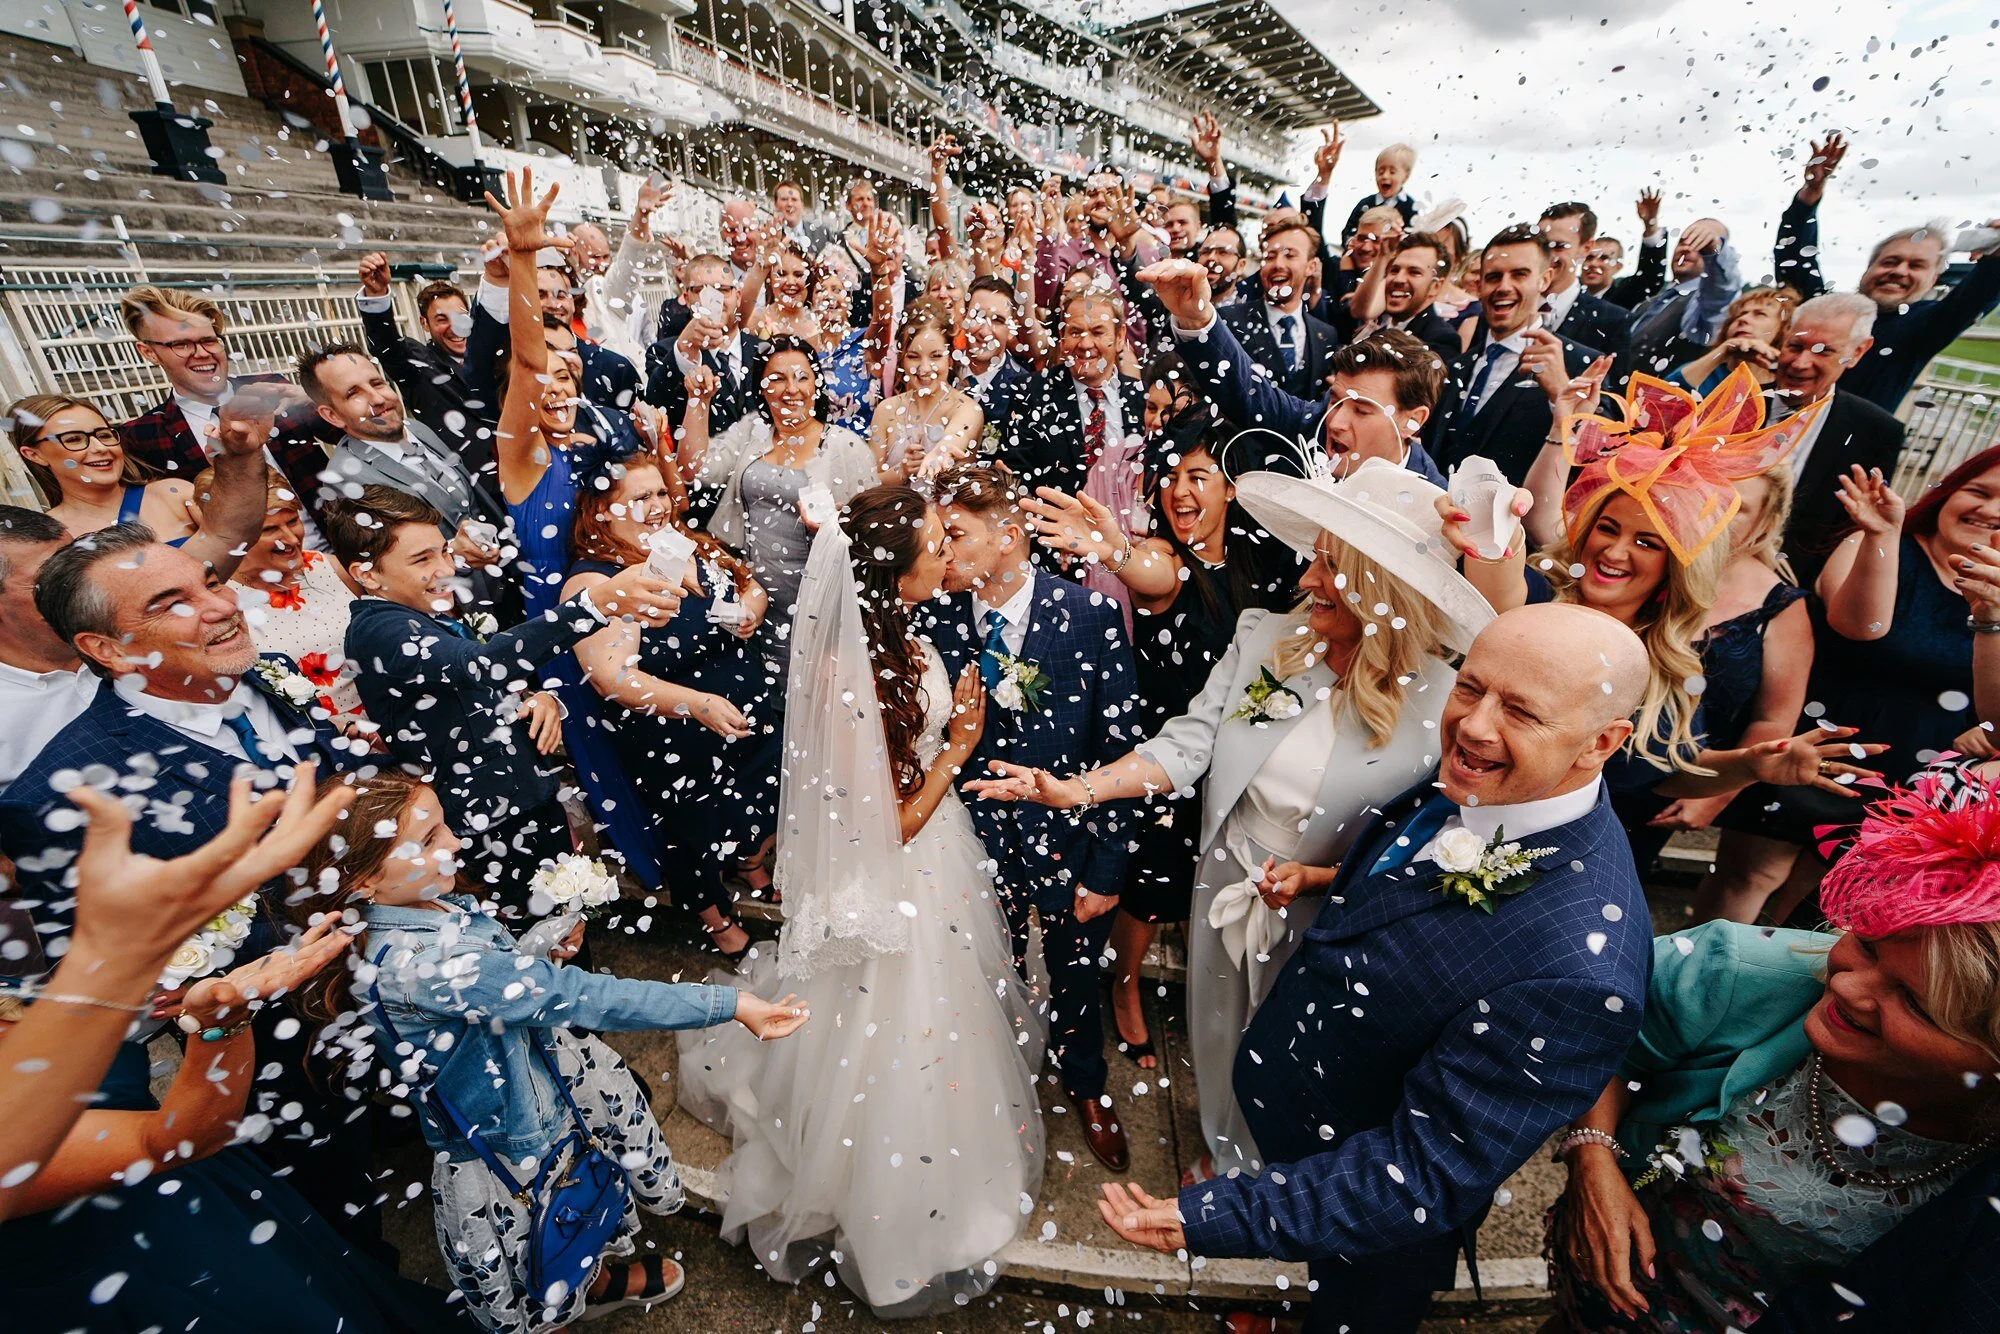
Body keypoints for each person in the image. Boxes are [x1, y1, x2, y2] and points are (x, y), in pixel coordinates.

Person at [1089, 602, 1656, 1333]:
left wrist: (1219, 1217)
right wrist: (1325, 880)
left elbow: (1421, 1172)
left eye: (1522, 711)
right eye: (1472, 687)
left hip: (1377, 1212)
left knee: (1358, 1312)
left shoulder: (1577, 972)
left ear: (1602, 741)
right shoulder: (1486, 781)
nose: (1474, 726)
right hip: (1311, 1124)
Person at [976, 458, 1494, 1185]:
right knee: (1217, 1030)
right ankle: (1223, 1149)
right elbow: (1189, 743)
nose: (1308, 582)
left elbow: (1443, 842)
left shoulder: (1444, 702)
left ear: (1384, 594)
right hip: (1226, 880)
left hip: (1332, 913)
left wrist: (1322, 879)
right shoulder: (1267, 642)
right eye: (1314, 561)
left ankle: (1272, 1172)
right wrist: (1078, 791)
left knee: (1301, 1051)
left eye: (1330, 570)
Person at [677, 484, 1047, 1314]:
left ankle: (938, 1161)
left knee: (937, 1024)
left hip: (938, 868)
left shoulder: (900, 633)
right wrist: (957, 750)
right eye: (934, 545)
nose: (948, 554)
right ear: (896, 569)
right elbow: (887, 828)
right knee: (899, 1033)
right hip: (902, 875)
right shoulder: (852, 669)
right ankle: (896, 1207)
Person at [290, 769, 806, 1330]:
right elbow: (587, 998)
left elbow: (489, 987)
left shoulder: (418, 908)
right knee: (542, 1249)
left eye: (443, 826)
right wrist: (730, 1007)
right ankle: (561, 1307)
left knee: (576, 1213)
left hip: (539, 1094)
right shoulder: (422, 965)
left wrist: (537, 953)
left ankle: (596, 1278)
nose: (456, 843)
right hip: (513, 1141)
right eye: (430, 839)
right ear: (363, 880)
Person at [0, 526, 383, 1247]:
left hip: (385, 978)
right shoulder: (63, 790)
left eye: (209, 581)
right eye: (172, 602)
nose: (219, 605)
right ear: (106, 649)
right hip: (274, 1049)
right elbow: (91, 973)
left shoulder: (264, 676)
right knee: (340, 1215)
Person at [0, 770, 467, 1332]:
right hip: (145, 1273)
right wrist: (216, 1020)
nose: (8, 868)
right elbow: (171, 1139)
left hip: (219, 1192)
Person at [1546, 772, 2000, 1333]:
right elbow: (1599, 1033)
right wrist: (1595, 1160)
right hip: (1611, 1299)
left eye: (1912, 1001)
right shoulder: (1739, 969)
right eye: (1865, 943)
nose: (1849, 987)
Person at [916, 462, 1141, 1169]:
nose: (943, 551)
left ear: (1010, 538)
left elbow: (1120, 751)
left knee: (1075, 968)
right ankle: (997, 1081)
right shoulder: (936, 617)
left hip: (1070, 836)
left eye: (957, 536)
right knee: (989, 964)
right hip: (971, 839)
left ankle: (1086, 1084)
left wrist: (1106, 870)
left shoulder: (1087, 616)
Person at [327, 485, 678, 911]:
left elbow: (469, 683)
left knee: (570, 927)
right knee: (537, 951)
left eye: (443, 551)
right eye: (422, 560)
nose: (445, 569)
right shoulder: (377, 631)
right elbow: (481, 664)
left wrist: (538, 698)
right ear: (367, 574)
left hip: (526, 801)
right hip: (486, 833)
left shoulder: (420, 609)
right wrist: (597, 602)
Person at [1017, 431, 1243, 1070]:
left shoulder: (1257, 566)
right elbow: (1145, 572)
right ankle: (1122, 990)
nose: (1179, 490)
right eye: (1171, 476)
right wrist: (1114, 549)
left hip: (1235, 759)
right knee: (1147, 891)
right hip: (1163, 757)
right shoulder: (1161, 560)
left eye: (1199, 476)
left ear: (1231, 488)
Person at [1722, 445, 2000, 927]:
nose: (1991, 511)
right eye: (1979, 491)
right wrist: (1882, 534)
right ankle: (1699, 984)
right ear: (1949, 491)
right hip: (1823, 740)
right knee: (1752, 875)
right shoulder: (1881, 541)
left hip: (1917, 768)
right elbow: (1862, 626)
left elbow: (1993, 705)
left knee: (1829, 898)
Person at [559, 447, 774, 961]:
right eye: (641, 497)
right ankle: (718, 922)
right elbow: (612, 677)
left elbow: (749, 582)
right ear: (603, 509)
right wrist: (697, 704)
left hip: (742, 716)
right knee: (693, 831)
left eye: (660, 491)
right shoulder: (596, 582)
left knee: (751, 804)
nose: (659, 504)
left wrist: (751, 608)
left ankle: (748, 861)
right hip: (678, 736)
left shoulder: (682, 543)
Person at [0, 391, 273, 792]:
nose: (71, 587)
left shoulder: (144, 647)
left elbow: (226, 533)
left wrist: (242, 456)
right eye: (48, 580)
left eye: (103, 433)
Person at [1142, 256, 1449, 483]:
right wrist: (1197, 320)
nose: (1336, 422)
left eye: (1363, 410)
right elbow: (1247, 390)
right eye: (1335, 399)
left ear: (1413, 421)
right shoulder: (1309, 424)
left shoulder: (1433, 503)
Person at [676, 334, 875, 658]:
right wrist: (698, 402)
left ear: (816, 384)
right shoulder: (751, 431)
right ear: (762, 387)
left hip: (823, 596)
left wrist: (832, 528)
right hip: (756, 595)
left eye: (802, 377)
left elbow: (875, 535)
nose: (791, 389)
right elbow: (695, 470)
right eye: (777, 379)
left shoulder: (845, 446)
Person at [1773, 130, 2000, 411]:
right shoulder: (1827, 310)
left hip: (1847, 449)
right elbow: (1795, 262)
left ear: (1934, 279)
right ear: (1869, 267)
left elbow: (1977, 295)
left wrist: (1996, 259)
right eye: (1890, 261)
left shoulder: (1926, 325)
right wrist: (1810, 196)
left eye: (1916, 266)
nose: (1900, 272)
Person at [114, 285, 334, 511]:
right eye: (181, 344)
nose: (201, 353)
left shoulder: (272, 388)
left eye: (208, 340)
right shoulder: (142, 436)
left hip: (331, 541)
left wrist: (317, 398)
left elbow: (354, 432)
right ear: (149, 352)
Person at [1425, 223, 1601, 484]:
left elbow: (1597, 463)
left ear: (1544, 280)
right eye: (1494, 277)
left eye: (1519, 275)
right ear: (1480, 283)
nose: (1504, 287)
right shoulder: (1455, 368)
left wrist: (1561, 396)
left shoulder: (1580, 365)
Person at [192, 464, 363, 714]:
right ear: (231, 534)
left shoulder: (334, 569)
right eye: (269, 529)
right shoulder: (219, 602)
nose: (291, 539)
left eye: (292, 521)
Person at [1765, 292, 1909, 583]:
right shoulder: (1735, 401)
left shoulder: (1876, 431)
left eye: (1823, 351)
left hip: (1791, 585)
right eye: (1795, 346)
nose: (1800, 363)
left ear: (1857, 352)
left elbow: (1850, 530)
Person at [303, 342, 503, 540]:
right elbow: (387, 560)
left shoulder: (416, 428)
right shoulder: (346, 478)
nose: (378, 399)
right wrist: (452, 553)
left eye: (377, 383)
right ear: (332, 415)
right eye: (354, 394)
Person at [353, 252, 494, 460]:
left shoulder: (492, 354)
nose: (455, 327)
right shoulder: (419, 365)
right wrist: (376, 296)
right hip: (474, 483)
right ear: (424, 323)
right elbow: (387, 346)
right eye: (441, 319)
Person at [7, 392, 195, 539]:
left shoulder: (174, 494)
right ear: (34, 455)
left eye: (104, 435)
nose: (100, 447)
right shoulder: (50, 535)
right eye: (74, 439)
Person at [1218, 216, 1336, 398]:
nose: (1278, 265)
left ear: (1311, 267)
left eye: (1290, 255)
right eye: (1270, 257)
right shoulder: (1227, 321)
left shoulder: (1326, 336)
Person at [870, 303, 984, 481]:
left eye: (936, 356)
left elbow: (954, 439)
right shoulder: (886, 410)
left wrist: (940, 452)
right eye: (913, 356)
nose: (924, 368)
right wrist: (903, 471)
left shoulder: (966, 409)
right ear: (901, 359)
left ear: (950, 357)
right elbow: (870, 484)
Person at [647, 253, 757, 434]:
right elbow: (656, 403)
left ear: (737, 296)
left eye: (722, 289)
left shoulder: (764, 350)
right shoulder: (664, 352)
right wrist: (686, 347)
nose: (713, 299)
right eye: (700, 290)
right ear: (687, 298)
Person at [1623, 217, 1742, 380]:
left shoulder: (1705, 308)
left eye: (1699, 243)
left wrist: (1714, 251)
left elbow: (1721, 293)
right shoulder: (1647, 304)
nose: (1686, 248)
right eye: (1682, 242)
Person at [1338, 231, 1464, 365]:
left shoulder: (1440, 340)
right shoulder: (1377, 335)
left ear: (1435, 286)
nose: (1398, 279)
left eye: (1414, 272)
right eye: (1394, 270)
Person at [1536, 202, 1633, 362]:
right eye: (1542, 245)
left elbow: (1612, 385)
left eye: (1559, 246)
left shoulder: (1613, 320)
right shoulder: (1506, 305)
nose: (1547, 256)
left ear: (1586, 248)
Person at [1667, 284, 1800, 395]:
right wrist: (1723, 351)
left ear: (1785, 328)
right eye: (1740, 315)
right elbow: (1663, 395)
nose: (1743, 319)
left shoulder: (1788, 385)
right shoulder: (1704, 371)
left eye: (1760, 314)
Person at [961, 274, 1031, 437]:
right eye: (978, 316)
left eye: (998, 320)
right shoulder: (944, 375)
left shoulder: (1025, 389)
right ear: (963, 318)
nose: (985, 331)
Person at [1593, 188, 1670, 309]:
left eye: (1604, 258)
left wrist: (1650, 226)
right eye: (1589, 257)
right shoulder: (1566, 294)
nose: (1593, 263)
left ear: (1618, 267)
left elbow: (1649, 278)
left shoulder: (1623, 297)